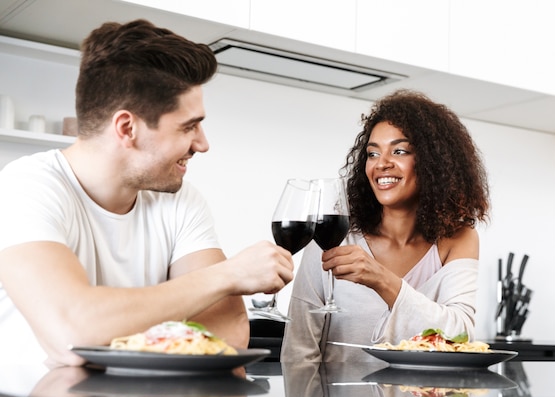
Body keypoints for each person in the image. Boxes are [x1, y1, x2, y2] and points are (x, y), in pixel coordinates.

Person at [0, 19, 294, 369]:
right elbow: (72, 332)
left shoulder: (181, 199)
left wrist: (103, 330)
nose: (203, 143)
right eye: (189, 126)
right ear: (127, 128)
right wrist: (227, 275)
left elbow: (226, 333)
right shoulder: (27, 186)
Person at [281, 89, 490, 362]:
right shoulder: (334, 238)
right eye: (372, 153)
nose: (382, 164)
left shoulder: (458, 238)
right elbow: (299, 351)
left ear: (433, 163)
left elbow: (459, 334)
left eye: (399, 151)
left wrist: (381, 279)